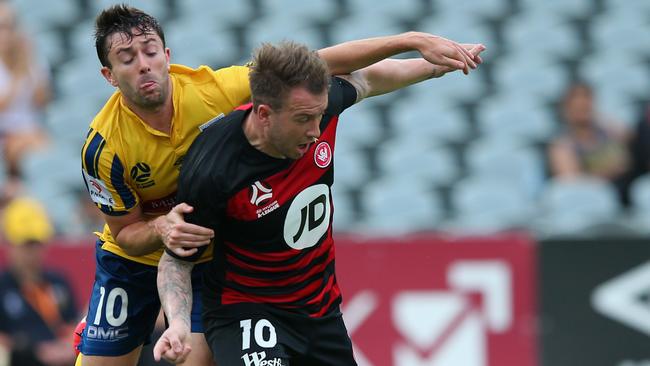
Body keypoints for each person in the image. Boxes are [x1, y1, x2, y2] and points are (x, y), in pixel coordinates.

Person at [76, 4, 482, 366]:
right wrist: (161, 228)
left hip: (205, 250)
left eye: (150, 52)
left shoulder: (216, 92)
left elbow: (317, 66)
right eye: (128, 59)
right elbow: (126, 234)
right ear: (108, 75)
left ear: (167, 56)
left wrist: (418, 47)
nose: (144, 65)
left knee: (192, 359)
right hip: (135, 260)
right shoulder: (103, 149)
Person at [0, 197, 78, 366]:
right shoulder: (3, 287)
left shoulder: (59, 282)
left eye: (37, 244)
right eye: (26, 244)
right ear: (9, 244)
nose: (32, 252)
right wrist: (36, 351)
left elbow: (72, 325)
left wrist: (66, 347)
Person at [547, 81, 631, 203]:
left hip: (621, 193)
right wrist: (609, 171)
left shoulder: (608, 132)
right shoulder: (562, 145)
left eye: (586, 104)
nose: (583, 109)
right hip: (589, 200)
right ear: (566, 110)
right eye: (577, 107)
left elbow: (628, 141)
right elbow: (572, 182)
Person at [0, 1, 50, 185]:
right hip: (5, 135)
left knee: (39, 144)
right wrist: (18, 73)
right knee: (39, 147)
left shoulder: (31, 58)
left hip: (31, 130)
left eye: (9, 26)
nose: (5, 34)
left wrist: (28, 65)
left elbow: (42, 100)